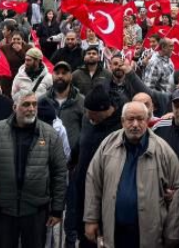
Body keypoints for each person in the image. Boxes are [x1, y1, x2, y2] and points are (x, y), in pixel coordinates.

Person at [84, 101, 179, 248]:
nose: (136, 124)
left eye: (140, 119)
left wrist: (172, 234)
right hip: (114, 232)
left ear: (147, 120)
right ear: (122, 121)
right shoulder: (108, 145)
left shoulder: (163, 150)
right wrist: (90, 219)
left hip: (148, 235)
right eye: (131, 119)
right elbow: (93, 181)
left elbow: (178, 190)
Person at [0, 90, 68, 248]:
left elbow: (59, 173)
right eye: (26, 104)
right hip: (3, 210)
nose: (31, 108)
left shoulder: (49, 135)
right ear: (15, 107)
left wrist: (57, 209)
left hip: (35, 210)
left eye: (34, 104)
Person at [71, 87, 122, 248]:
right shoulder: (89, 119)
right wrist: (72, 163)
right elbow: (81, 143)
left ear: (105, 111)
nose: (87, 116)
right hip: (82, 193)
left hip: (106, 197)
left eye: (91, 113)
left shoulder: (120, 126)